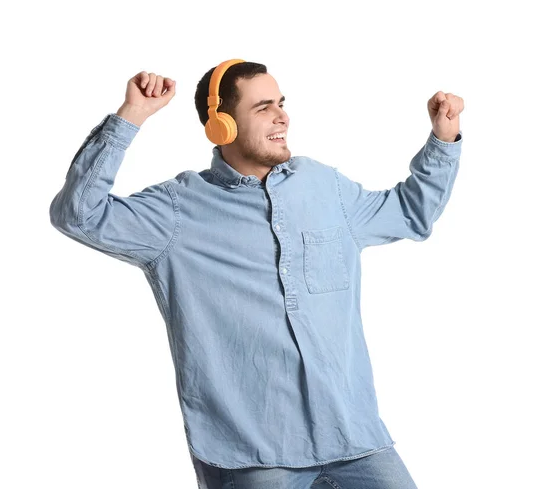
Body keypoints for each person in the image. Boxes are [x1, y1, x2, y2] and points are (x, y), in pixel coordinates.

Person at [49, 59, 464, 489]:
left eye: (281, 103)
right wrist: (131, 115)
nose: (282, 115)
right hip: (254, 452)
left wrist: (443, 137)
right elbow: (77, 215)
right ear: (221, 126)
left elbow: (411, 214)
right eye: (263, 107)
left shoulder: (325, 187)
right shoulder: (178, 212)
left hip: (352, 437)